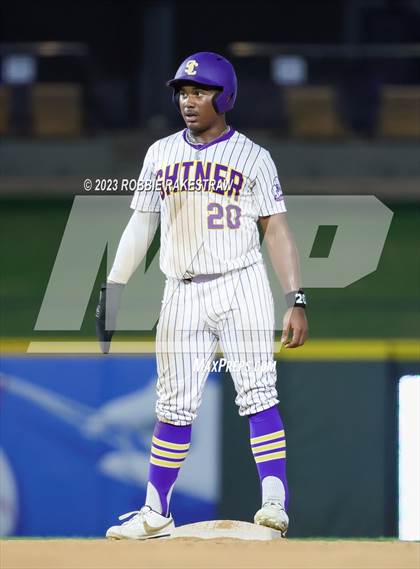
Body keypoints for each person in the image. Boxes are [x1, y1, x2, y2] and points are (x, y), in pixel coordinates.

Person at [97, 52, 308, 540]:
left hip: (241, 283)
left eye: (201, 91)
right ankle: (155, 512)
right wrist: (115, 282)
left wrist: (296, 297)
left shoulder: (253, 157)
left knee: (258, 392)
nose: (189, 101)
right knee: (172, 405)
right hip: (182, 290)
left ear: (226, 96)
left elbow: (275, 229)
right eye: (184, 92)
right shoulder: (160, 154)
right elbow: (142, 223)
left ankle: (274, 502)